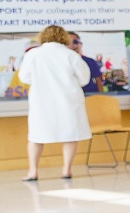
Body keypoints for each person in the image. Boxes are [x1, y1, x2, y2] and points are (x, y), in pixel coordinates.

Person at [18, 26, 90, 181]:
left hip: (41, 101)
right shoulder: (71, 55)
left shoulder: (32, 54)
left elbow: (24, 77)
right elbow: (84, 79)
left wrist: (39, 80)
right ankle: (66, 170)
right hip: (68, 100)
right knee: (70, 135)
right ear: (64, 37)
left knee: (36, 136)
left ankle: (33, 171)